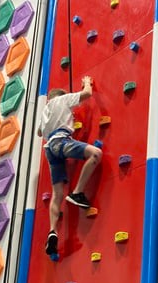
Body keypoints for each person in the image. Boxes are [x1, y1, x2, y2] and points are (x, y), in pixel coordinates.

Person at [37, 75, 102, 256]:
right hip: (61, 141)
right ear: (60, 96)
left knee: (57, 193)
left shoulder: (46, 110)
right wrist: (87, 82)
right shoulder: (63, 99)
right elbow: (87, 94)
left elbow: (39, 132)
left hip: (49, 148)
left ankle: (52, 231)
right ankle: (77, 192)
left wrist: (59, 117)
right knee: (95, 154)